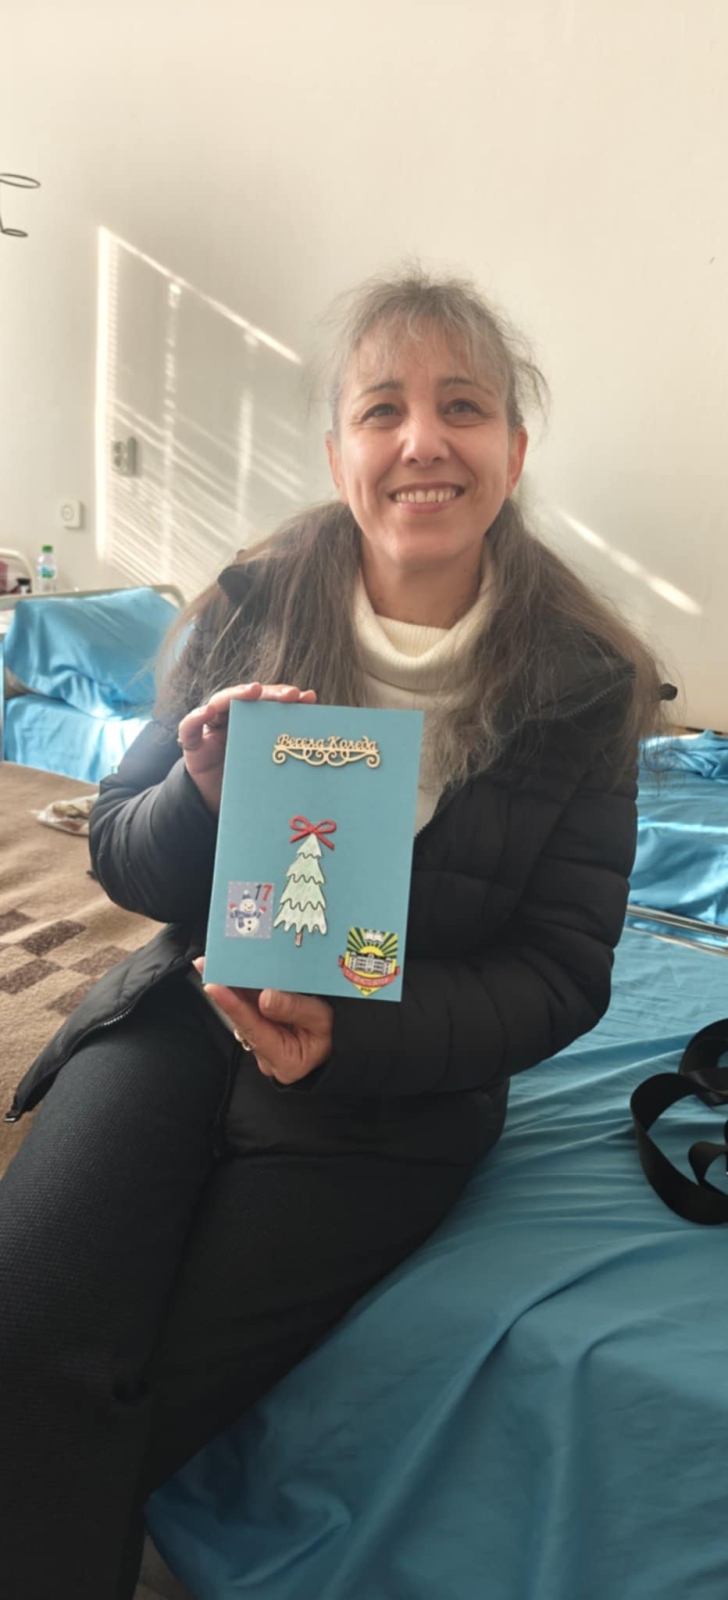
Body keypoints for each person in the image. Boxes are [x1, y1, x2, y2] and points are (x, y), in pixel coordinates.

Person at [1, 267, 671, 1600]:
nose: (423, 440)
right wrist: (197, 796)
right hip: (185, 1016)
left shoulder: (588, 683)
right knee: (26, 1331)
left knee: (115, 1397)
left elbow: (562, 973)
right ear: (338, 455)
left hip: (388, 1098)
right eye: (382, 410)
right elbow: (122, 851)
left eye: (462, 407)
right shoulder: (253, 605)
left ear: (513, 453)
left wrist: (352, 1034)